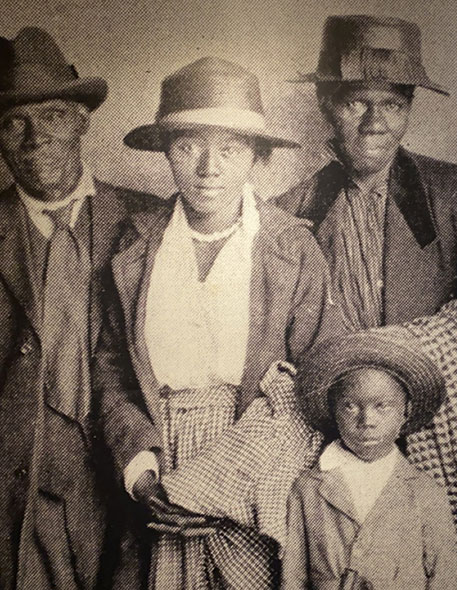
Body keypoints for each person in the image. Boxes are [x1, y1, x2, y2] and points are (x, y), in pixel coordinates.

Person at [0, 27, 158, 590]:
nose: (35, 139)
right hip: (14, 506)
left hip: (129, 491)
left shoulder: (149, 224)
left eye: (51, 116)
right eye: (13, 123)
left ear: (82, 120)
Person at [92, 56, 343, 589]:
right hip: (162, 460)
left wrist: (234, 476)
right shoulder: (135, 247)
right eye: (188, 147)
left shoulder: (290, 249)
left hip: (261, 464)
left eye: (229, 149)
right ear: (166, 152)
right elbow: (111, 372)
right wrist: (141, 471)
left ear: (256, 157)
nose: (209, 168)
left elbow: (321, 377)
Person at [276, 14, 457, 330]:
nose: (375, 125)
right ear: (326, 104)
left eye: (392, 106)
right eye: (357, 104)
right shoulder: (288, 214)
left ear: (408, 108)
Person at [283, 330, 457, 590]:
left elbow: (445, 581)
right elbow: (293, 579)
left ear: (405, 413)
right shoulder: (308, 490)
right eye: (350, 406)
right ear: (333, 411)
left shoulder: (426, 493)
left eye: (382, 406)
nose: (366, 422)